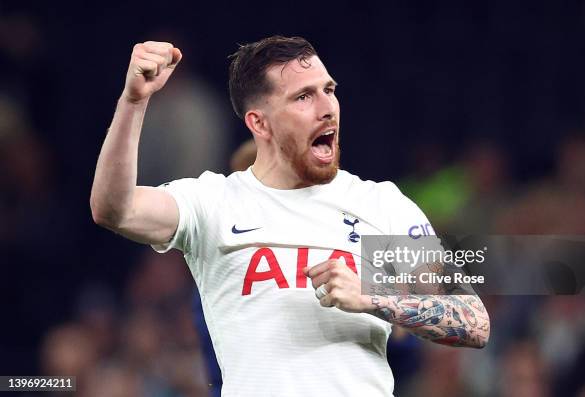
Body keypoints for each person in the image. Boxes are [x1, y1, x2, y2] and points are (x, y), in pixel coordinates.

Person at [91, 36, 490, 396]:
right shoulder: (213, 202)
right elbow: (114, 209)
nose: (327, 109)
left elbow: (473, 322)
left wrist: (373, 298)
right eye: (303, 97)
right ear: (258, 122)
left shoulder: (382, 205)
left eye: (328, 90)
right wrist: (133, 101)